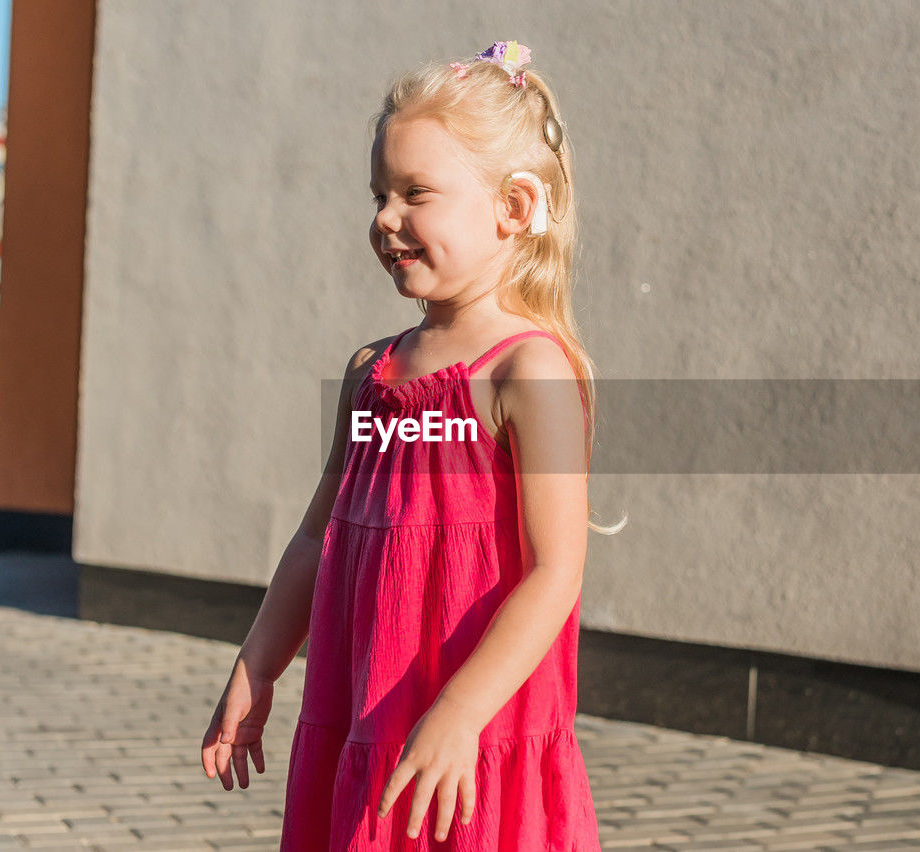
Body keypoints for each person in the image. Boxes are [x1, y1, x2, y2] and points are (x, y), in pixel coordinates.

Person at [201, 40, 625, 849]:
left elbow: (555, 572)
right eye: (379, 194)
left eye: (415, 193)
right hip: (367, 717)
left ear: (514, 205)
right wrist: (258, 664)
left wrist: (461, 711)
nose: (385, 219)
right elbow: (315, 538)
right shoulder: (371, 372)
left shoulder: (526, 374)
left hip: (469, 738)